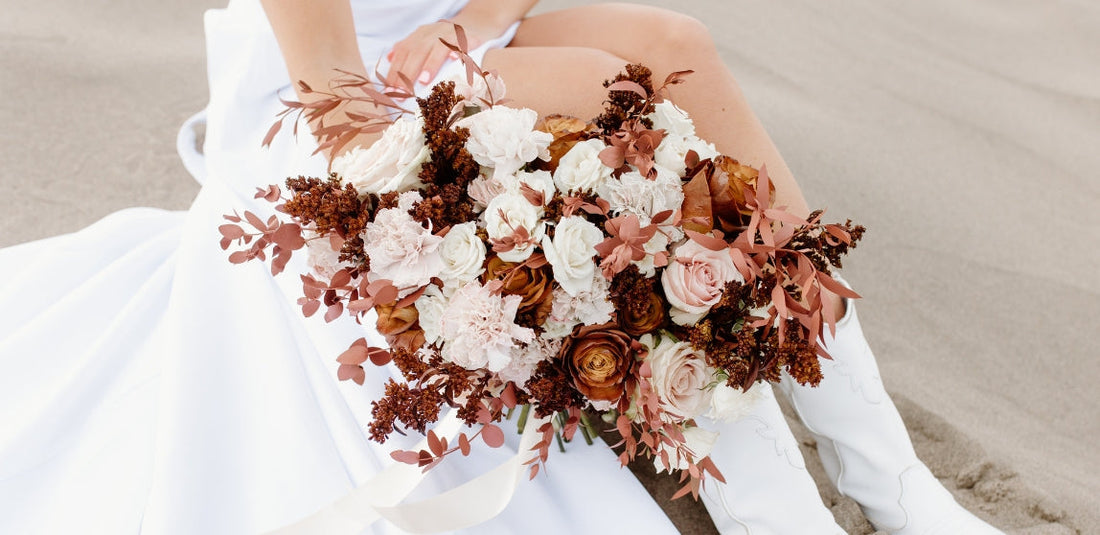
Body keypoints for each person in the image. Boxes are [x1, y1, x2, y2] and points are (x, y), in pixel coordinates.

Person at [0, 0, 1002, 533]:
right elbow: (329, 81)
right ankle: (768, 508)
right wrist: (390, 110)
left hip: (456, 32)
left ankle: (892, 482)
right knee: (617, 99)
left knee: (675, 46)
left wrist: (478, 22)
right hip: (333, 82)